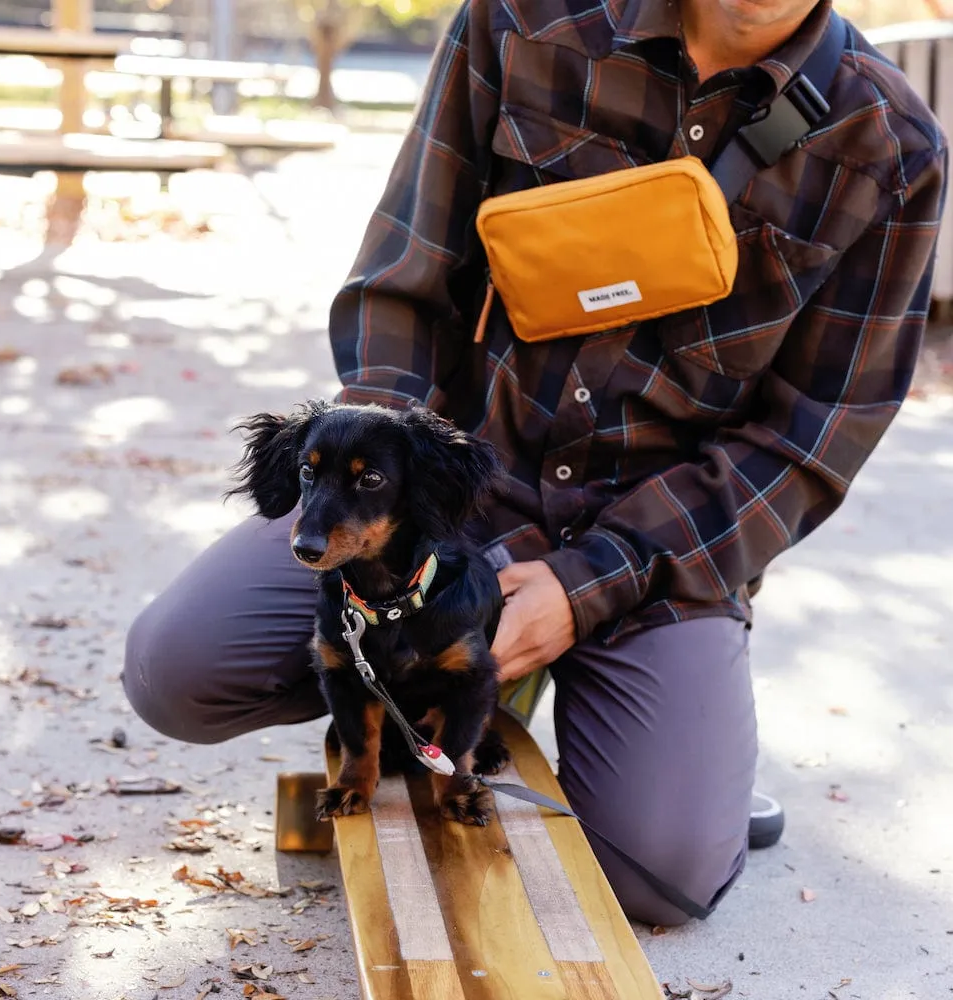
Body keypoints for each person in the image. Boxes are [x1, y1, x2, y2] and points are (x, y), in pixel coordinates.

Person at [124, 0, 947, 927]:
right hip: (456, 492)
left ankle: (664, 748)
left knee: (661, 873)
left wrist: (587, 582)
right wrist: (405, 515)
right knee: (177, 671)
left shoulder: (890, 146)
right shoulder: (522, 18)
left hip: (654, 550)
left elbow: (806, 443)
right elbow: (404, 278)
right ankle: (457, 672)